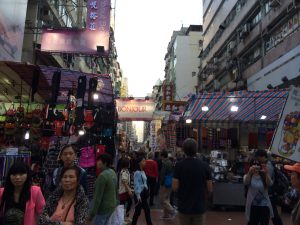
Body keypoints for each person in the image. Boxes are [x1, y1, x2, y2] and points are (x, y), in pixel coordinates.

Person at [172, 138, 212, 225]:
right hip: (199, 206)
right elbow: (210, 189)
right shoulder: (205, 166)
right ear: (196, 149)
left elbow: (174, 187)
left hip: (184, 206)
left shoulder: (179, 165)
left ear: (183, 150)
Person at [255, 150, 283, 225]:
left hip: (269, 194)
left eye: (258, 157)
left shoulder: (268, 165)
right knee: (269, 214)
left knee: (272, 215)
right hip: (267, 193)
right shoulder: (265, 164)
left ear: (263, 157)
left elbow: (268, 181)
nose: (257, 159)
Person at [89, 153, 117, 225]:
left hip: (103, 208)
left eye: (99, 161)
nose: (97, 162)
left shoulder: (102, 176)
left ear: (105, 163)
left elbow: (97, 197)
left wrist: (91, 214)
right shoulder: (113, 172)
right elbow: (115, 190)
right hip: (111, 206)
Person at [244, 158, 274, 225]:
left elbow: (270, 184)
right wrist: (249, 172)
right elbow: (246, 182)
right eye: (254, 165)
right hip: (253, 205)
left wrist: (266, 173)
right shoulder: (248, 175)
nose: (256, 166)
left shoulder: (263, 175)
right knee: (253, 222)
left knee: (264, 222)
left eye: (258, 164)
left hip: (265, 205)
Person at [131, 157, 153, 225]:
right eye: (143, 161)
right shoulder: (137, 172)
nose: (145, 162)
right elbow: (136, 184)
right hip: (139, 195)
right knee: (138, 212)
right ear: (139, 163)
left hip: (143, 194)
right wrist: (138, 195)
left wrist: (146, 188)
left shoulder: (142, 171)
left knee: (146, 211)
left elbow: (144, 183)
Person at [159, 150, 176, 219]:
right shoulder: (170, 162)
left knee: (162, 200)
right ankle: (166, 215)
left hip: (165, 183)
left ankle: (172, 211)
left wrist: (161, 183)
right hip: (170, 181)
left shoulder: (165, 163)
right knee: (167, 199)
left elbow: (163, 174)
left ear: (163, 156)